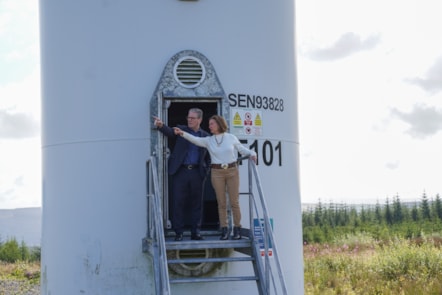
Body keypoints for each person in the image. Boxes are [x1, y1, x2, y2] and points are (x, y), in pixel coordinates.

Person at [174, 115, 257, 240]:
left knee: (234, 202)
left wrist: (253, 153)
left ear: (219, 124)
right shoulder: (209, 140)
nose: (209, 126)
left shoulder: (231, 137)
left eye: (212, 124)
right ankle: (224, 230)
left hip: (232, 171)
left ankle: (237, 229)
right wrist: (182, 133)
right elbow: (195, 139)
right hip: (217, 172)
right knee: (221, 202)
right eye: (209, 124)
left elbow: (242, 150)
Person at [153, 108, 210, 241]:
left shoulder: (205, 136)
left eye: (192, 118)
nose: (189, 120)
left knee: (197, 204)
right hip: (181, 172)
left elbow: (209, 156)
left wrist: (205, 170)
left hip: (197, 172)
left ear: (199, 120)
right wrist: (161, 126)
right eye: (188, 117)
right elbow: (170, 132)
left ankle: (196, 232)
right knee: (178, 202)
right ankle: (179, 232)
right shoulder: (181, 130)